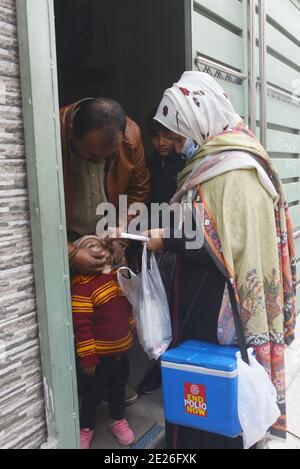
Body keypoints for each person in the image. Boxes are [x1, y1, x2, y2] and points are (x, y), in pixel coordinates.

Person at [146, 72, 296, 449]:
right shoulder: (222, 158)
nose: (178, 145)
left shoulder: (231, 171)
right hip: (204, 292)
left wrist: (168, 240)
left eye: (180, 135)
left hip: (219, 304)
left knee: (214, 388)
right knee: (203, 389)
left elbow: (223, 245)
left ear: (200, 122)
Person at [60, 97, 150, 405]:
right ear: (72, 134)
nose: (101, 163)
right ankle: (83, 392)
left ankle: (113, 383)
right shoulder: (49, 133)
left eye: (108, 157)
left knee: (111, 314)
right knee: (74, 319)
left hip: (107, 236)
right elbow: (31, 211)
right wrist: (71, 253)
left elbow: (139, 193)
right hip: (65, 238)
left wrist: (120, 234)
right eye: (91, 155)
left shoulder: (131, 138)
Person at [137, 109, 186, 396]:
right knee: (156, 309)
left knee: (178, 307)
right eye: (156, 136)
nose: (162, 142)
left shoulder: (189, 164)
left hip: (180, 246)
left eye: (169, 136)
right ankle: (158, 368)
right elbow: (142, 203)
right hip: (152, 247)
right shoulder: (151, 165)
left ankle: (179, 370)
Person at [71, 235, 136, 449]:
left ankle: (117, 419)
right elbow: (81, 326)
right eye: (90, 247)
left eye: (101, 245)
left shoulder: (117, 277)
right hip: (97, 358)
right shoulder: (82, 287)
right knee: (92, 394)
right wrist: (87, 356)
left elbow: (127, 303)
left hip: (121, 351)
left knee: (118, 389)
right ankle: (86, 426)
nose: (98, 249)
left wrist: (131, 321)